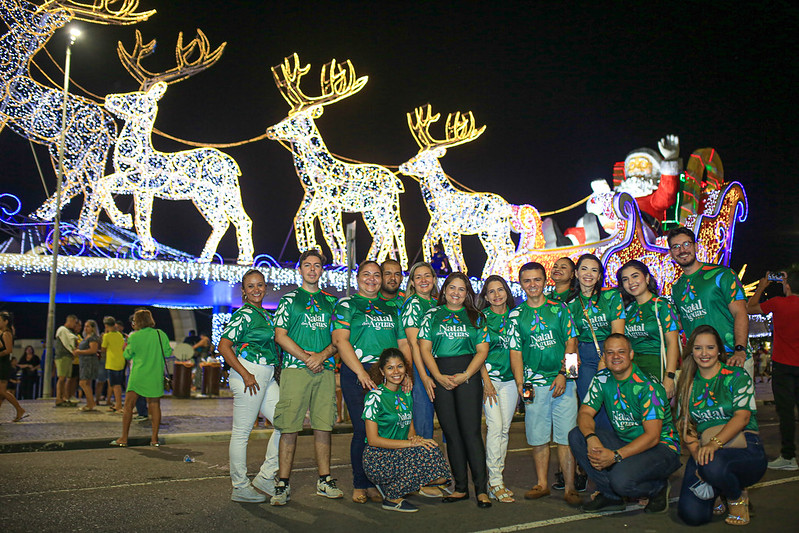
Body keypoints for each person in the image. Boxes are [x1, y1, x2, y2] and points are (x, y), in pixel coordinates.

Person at [568, 333, 681, 513]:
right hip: (627, 442)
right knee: (577, 436)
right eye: (610, 352)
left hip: (661, 448)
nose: (615, 357)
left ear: (631, 354)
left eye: (621, 352)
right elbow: (585, 412)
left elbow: (652, 437)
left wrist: (615, 456)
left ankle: (656, 488)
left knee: (622, 482)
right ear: (604, 357)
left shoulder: (646, 386)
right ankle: (611, 496)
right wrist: (591, 438)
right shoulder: (602, 378)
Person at [332, 260, 411, 504]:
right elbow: (340, 341)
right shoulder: (346, 304)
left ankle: (378, 482)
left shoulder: (392, 308)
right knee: (362, 432)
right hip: (358, 373)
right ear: (357, 279)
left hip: (388, 373)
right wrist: (361, 373)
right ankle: (360, 483)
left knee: (385, 430)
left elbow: (403, 344)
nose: (371, 279)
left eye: (376, 275)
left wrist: (406, 372)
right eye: (366, 274)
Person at [675, 325, 766, 526]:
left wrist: (714, 445)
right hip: (704, 449)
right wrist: (697, 451)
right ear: (691, 351)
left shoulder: (736, 376)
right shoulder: (686, 382)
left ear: (719, 350)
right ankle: (718, 487)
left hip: (744, 446)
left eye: (710, 347)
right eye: (698, 348)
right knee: (692, 516)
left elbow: (742, 417)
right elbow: (685, 423)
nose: (704, 353)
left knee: (711, 464)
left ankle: (736, 497)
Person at [272, 250, 341, 506]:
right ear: (299, 270)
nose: (312, 269)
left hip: (323, 370)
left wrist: (321, 356)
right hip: (294, 369)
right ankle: (282, 483)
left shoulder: (332, 302)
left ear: (322, 270)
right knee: (289, 427)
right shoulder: (289, 300)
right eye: (307, 265)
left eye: (317, 265)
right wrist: (306, 357)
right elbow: (280, 335)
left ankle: (325, 479)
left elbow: (339, 340)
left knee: (324, 426)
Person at [418, 272, 492, 508]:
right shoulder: (432, 315)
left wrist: (467, 375)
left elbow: (482, 351)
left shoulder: (476, 317)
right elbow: (424, 349)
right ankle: (460, 488)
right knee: (451, 434)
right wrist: (437, 376)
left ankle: (481, 489)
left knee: (471, 432)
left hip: (467, 375)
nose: (456, 293)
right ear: (444, 290)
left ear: (467, 293)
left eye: (461, 289)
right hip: (442, 375)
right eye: (452, 288)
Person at [508, 262, 580, 505]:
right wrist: (520, 385)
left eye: (537, 279)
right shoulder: (516, 315)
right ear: (521, 284)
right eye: (527, 281)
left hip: (564, 383)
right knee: (537, 435)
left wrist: (565, 374)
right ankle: (542, 484)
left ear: (545, 280)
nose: (532, 285)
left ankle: (570, 487)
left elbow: (572, 343)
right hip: (531, 385)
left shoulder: (559, 309)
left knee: (566, 436)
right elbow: (515, 352)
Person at [218, 269, 282, 503]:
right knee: (242, 433)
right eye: (251, 286)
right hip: (249, 374)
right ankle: (240, 486)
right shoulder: (244, 314)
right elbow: (223, 346)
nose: (256, 290)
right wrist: (245, 374)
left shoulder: (263, 314)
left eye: (260, 285)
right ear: (243, 291)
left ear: (266, 288)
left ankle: (265, 476)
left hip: (265, 375)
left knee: (286, 422)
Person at [362, 348, 452, 513]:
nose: (396, 372)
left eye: (400, 366)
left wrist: (416, 439)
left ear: (406, 369)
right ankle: (392, 496)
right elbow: (373, 439)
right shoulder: (374, 397)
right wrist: (410, 445)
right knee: (425, 455)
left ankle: (403, 486)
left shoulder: (406, 395)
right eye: (390, 368)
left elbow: (409, 428)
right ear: (382, 371)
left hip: (400, 453)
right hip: (378, 457)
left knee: (432, 450)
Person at [668, 226, 751, 375]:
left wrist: (740, 350)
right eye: (676, 247)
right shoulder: (677, 288)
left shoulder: (722, 275)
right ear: (671, 253)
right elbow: (681, 322)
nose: (682, 250)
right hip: (701, 362)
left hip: (732, 358)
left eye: (686, 244)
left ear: (696, 246)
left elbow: (740, 312)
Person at [747, 269, 799, 471]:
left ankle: (789, 456)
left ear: (787, 286)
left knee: (786, 413)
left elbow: (750, 308)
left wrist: (762, 286)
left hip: (784, 366)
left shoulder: (778, 303)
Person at [567, 254, 625, 422]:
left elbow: (618, 333)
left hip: (610, 353)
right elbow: (571, 340)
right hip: (582, 358)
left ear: (600, 276)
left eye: (594, 270)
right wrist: (571, 373)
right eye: (584, 269)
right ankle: (594, 443)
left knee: (612, 402)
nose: (588, 274)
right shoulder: (569, 304)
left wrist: (607, 359)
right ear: (576, 273)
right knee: (588, 403)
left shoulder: (612, 296)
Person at [476, 274, 518, 503]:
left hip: (511, 380)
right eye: (491, 291)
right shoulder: (482, 318)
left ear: (506, 292)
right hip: (489, 380)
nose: (496, 295)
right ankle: (494, 482)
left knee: (504, 430)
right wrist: (486, 382)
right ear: (485, 296)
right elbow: (478, 352)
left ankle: (496, 480)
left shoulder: (516, 317)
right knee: (495, 427)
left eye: (500, 290)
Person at [617, 260, 680, 397]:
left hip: (658, 368)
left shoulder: (662, 305)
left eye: (635, 276)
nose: (631, 282)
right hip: (633, 371)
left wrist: (669, 376)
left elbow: (672, 343)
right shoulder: (628, 310)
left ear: (646, 278)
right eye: (625, 279)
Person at [110, 309, 171, 447]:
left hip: (138, 375)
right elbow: (167, 352)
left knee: (128, 406)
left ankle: (124, 438)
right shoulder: (160, 334)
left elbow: (127, 355)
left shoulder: (134, 337)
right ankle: (154, 439)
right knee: (155, 405)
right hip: (155, 375)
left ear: (137, 322)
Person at [400, 261, 439, 439]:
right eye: (418, 277)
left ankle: (445, 464)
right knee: (424, 421)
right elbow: (414, 344)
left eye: (427, 276)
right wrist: (423, 377)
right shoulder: (413, 304)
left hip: (439, 365)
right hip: (421, 366)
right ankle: (425, 465)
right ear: (412, 283)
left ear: (433, 279)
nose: (423, 280)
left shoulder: (437, 303)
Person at [0, 311, 27, 422]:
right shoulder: (2, 332)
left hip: (3, 364)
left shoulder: (7, 333)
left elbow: (9, 350)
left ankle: (19, 409)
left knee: (2, 391)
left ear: (5, 322)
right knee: (0, 393)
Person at [73, 319, 100, 411]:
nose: (85, 328)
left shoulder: (93, 338)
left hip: (89, 362)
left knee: (83, 382)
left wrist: (79, 351)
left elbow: (93, 350)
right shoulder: (86, 337)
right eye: (85, 326)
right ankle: (89, 403)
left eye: (88, 326)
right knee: (86, 383)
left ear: (93, 328)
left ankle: (91, 403)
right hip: (84, 362)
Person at [101, 317, 126, 413]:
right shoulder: (119, 335)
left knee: (115, 385)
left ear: (106, 326)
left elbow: (103, 348)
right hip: (121, 361)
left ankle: (118, 405)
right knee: (117, 383)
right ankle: (116, 403)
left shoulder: (107, 336)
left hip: (112, 362)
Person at [54, 314, 78, 407]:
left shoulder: (67, 331)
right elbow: (69, 341)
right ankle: (58, 398)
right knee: (61, 378)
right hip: (62, 356)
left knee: (66, 378)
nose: (75, 325)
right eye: (75, 323)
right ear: (70, 321)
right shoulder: (62, 330)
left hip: (67, 357)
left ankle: (64, 397)